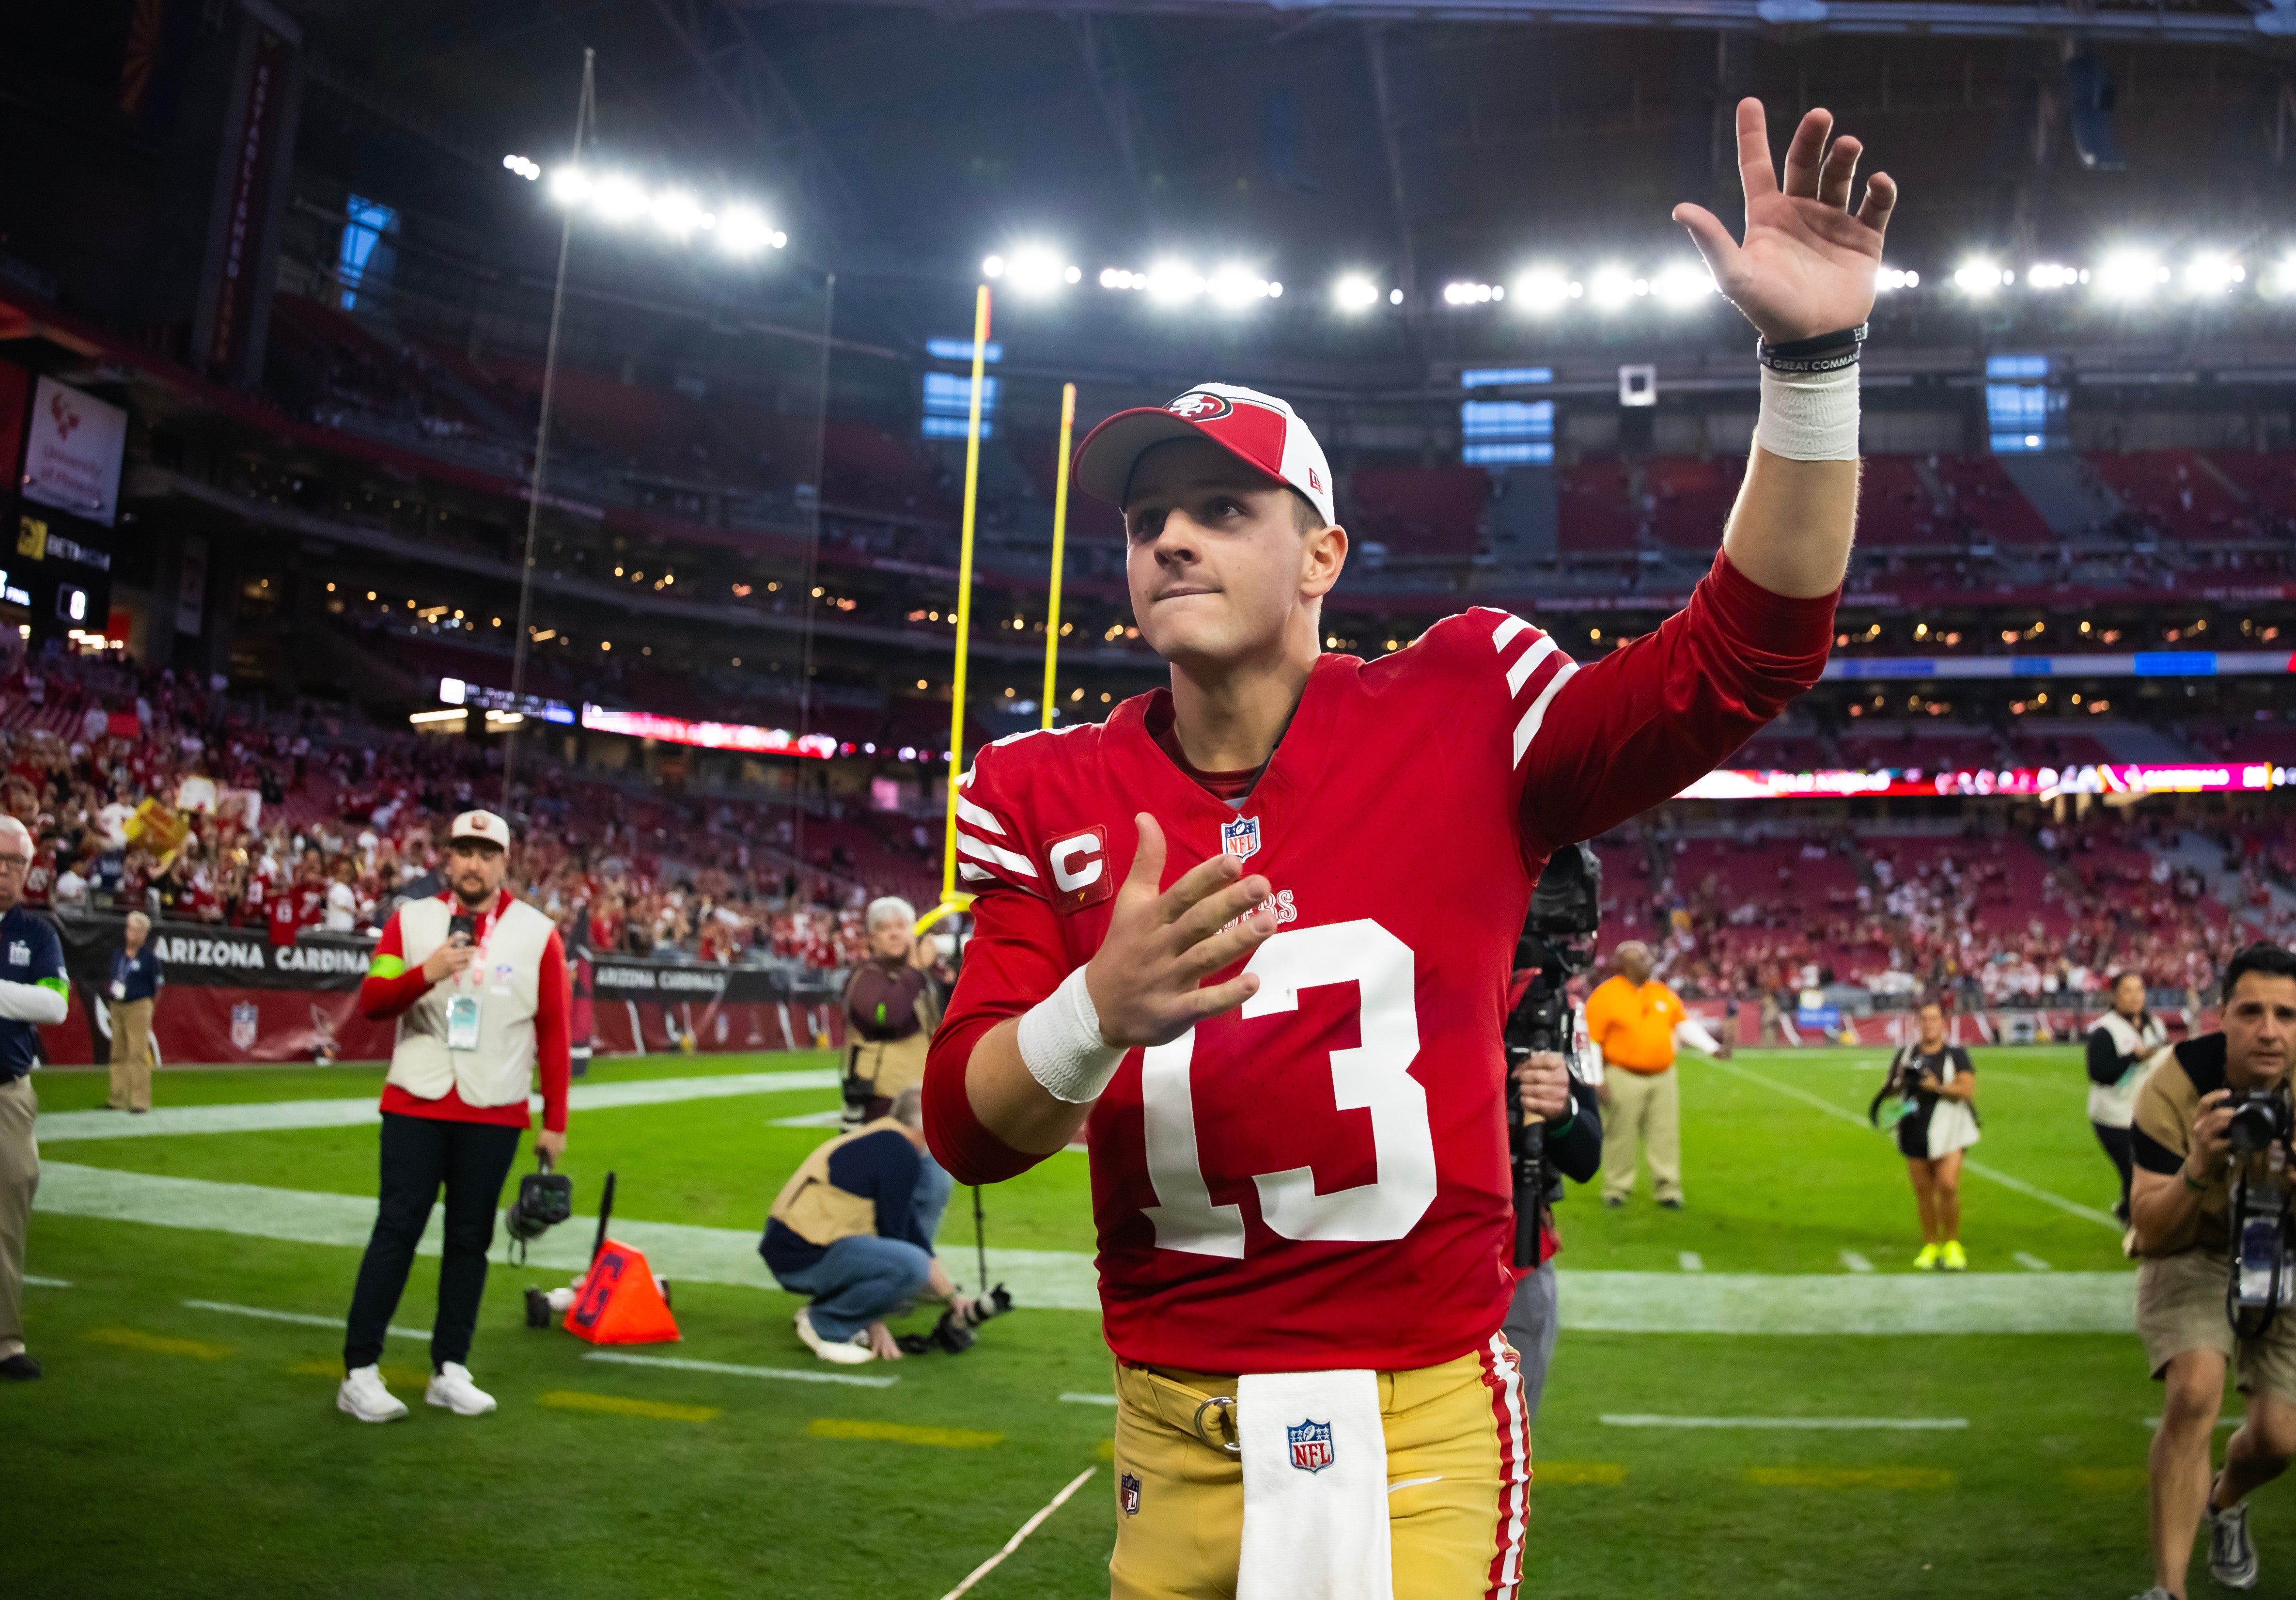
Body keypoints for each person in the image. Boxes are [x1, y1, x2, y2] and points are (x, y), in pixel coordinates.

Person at [923, 97, 1891, 1597]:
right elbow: (970, 1131)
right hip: (1166, 1410)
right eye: (1147, 517)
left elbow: (1743, 655)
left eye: (1223, 508)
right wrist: (1090, 1013)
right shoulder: (1046, 788)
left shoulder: (1466, 705)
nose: (1169, 537)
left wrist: (1812, 366)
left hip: (1415, 1405)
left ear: (1320, 556)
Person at [2127, 944, 2296, 1600]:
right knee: (2195, 1389)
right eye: (2251, 1011)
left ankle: (2226, 1500)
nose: (2268, 1029)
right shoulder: (2174, 1086)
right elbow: (2151, 1228)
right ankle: (2168, 1589)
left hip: (2293, 1247)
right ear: (2221, 1015)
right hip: (2194, 1244)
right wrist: (2197, 1168)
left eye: (2285, 1014)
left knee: (2276, 1442)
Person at [335, 810, 570, 1424]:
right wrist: (427, 971)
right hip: (417, 1100)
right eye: (464, 850)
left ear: (504, 861)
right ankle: (360, 1370)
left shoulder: (538, 932)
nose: (474, 863)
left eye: (486, 852)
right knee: (397, 1229)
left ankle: (451, 1367)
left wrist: (556, 1119)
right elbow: (372, 1001)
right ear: (447, 858)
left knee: (471, 1240)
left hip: (494, 1109)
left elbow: (554, 1033)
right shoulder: (409, 921)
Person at [762, 1086, 981, 1364]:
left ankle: (832, 1312)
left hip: (794, 1246)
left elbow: (910, 1230)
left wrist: (951, 1297)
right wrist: (874, 1320)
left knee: (910, 1260)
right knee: (910, 1266)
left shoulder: (884, 1139)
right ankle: (826, 1324)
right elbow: (899, 1240)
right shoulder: (900, 1153)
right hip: (804, 1255)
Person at [1585, 940, 1728, 1211]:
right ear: (1622, 965)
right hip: (1622, 1074)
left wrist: (1713, 1047)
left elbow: (1682, 1024)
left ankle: (1668, 1189)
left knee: (1665, 1134)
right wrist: (1596, 1079)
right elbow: (1594, 1041)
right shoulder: (1605, 996)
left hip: (1663, 1076)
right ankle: (1617, 1188)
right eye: (1641, 959)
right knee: (1619, 1133)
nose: (1649, 963)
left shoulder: (1661, 992)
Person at [1500, 1042, 1600, 1423]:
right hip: (1395, 1261)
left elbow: (1587, 1156)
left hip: (1512, 1259)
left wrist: (1561, 1112)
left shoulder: (1544, 1004)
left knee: (1501, 1451)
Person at [0, 814, 67, 1381]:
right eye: (0, 858)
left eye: (16, 861)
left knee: (8, 1219)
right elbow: (35, 1001)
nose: (6, 870)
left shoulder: (37, 933)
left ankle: (4, 1342)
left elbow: (56, 1006)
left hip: (8, 1093)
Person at [1883, 999, 1978, 1271]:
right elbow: (1888, 1089)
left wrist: (1937, 1088)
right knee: (1923, 1192)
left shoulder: (1956, 1055)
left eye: (1934, 1019)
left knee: (1948, 1185)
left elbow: (1967, 1090)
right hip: (1913, 1127)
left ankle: (1952, 1244)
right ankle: (1930, 1245)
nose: (1929, 1024)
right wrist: (1899, 1081)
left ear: (1943, 1024)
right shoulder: (1906, 1054)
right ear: (1917, 1024)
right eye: (1924, 1019)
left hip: (1949, 1129)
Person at [840, 895, 945, 1126]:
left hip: (921, 1096)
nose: (895, 934)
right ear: (871, 939)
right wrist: (916, 968)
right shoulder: (867, 976)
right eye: (884, 928)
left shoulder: (919, 976)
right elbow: (884, 1016)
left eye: (901, 926)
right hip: (882, 1102)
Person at [2090, 971, 2172, 1225]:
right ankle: (2137, 1223)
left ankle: (2128, 1211)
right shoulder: (2105, 1031)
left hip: (2147, 1113)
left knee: (2147, 1169)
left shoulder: (2155, 1026)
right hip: (2114, 1115)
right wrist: (2133, 1059)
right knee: (2135, 1170)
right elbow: (2100, 1074)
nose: (2136, 997)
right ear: (2114, 996)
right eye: (2128, 990)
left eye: (2140, 990)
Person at [105, 910, 164, 1114]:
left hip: (139, 1005)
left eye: (138, 930)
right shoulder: (118, 953)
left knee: (138, 1054)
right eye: (130, 928)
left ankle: (140, 1101)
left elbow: (159, 985)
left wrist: (149, 1007)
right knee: (117, 1053)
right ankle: (117, 1099)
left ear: (145, 934)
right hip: (117, 1005)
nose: (133, 933)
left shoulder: (149, 958)